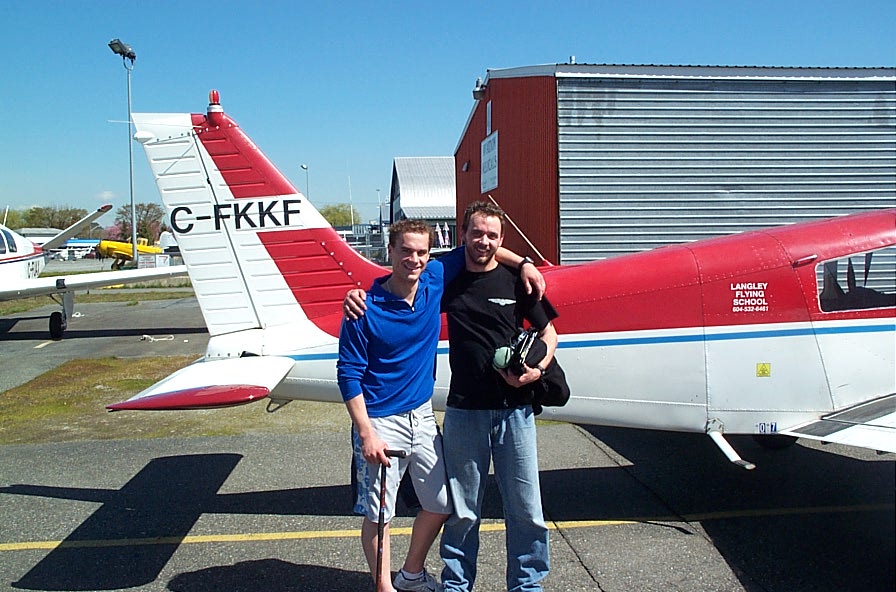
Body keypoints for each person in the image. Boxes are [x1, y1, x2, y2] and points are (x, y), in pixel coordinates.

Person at [338, 219, 544, 592]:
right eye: (405, 251)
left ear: (430, 255)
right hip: (380, 420)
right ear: (390, 251)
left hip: (421, 415)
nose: (413, 259)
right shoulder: (363, 307)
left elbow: (481, 248)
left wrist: (525, 262)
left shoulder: (434, 277)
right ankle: (384, 587)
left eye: (421, 252)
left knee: (442, 503)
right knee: (380, 514)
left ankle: (411, 573)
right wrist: (366, 433)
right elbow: (348, 374)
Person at [439, 201, 557, 592]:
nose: (483, 241)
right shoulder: (447, 279)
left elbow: (549, 334)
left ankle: (527, 585)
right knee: (462, 511)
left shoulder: (515, 280)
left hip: (515, 412)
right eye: (477, 233)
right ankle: (456, 584)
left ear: (501, 239)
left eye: (492, 235)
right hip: (464, 411)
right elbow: (399, 286)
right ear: (463, 235)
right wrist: (360, 294)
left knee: (526, 510)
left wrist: (535, 372)